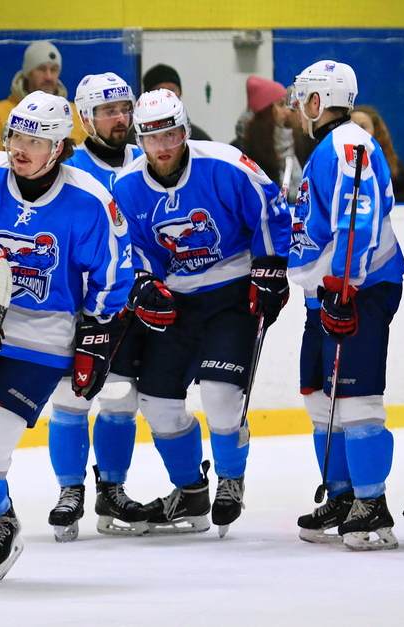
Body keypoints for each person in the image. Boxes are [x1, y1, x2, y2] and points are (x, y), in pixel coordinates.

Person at [0, 91, 132, 586]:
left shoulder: (89, 201)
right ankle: (3, 517)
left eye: (35, 141)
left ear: (58, 149)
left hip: (46, 331)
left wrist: (95, 337)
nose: (20, 148)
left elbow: (112, 274)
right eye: (16, 135)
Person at [111, 89, 292, 536]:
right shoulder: (127, 187)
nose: (163, 147)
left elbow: (270, 210)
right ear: (140, 140)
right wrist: (144, 282)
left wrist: (270, 265)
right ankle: (191, 490)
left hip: (233, 291)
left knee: (219, 392)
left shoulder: (226, 164)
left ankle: (230, 478)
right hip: (177, 300)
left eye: (171, 135)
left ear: (185, 131)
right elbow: (133, 247)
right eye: (152, 138)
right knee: (157, 403)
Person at [287, 60, 404, 550]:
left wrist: (344, 286)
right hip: (327, 293)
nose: (298, 109)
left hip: (356, 289)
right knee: (320, 395)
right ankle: (342, 494)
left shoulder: (348, 144)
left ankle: (372, 502)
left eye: (303, 99)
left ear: (318, 101)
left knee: (357, 400)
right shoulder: (329, 147)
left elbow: (356, 220)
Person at [44, 72, 148, 542]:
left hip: (127, 305)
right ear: (85, 118)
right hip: (76, 305)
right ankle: (70, 491)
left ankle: (112, 489)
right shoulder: (67, 168)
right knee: (72, 399)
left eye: (125, 109)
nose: (120, 118)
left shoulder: (147, 160)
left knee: (121, 398)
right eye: (108, 111)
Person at [0, 41, 87, 152]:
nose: (49, 77)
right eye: (41, 69)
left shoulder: (75, 114)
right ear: (28, 73)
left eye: (54, 69)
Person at [233, 76, 303, 203]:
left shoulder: (289, 143)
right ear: (265, 112)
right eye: (281, 104)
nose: (287, 111)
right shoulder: (241, 153)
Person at [350, 105, 404, 203]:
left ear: (376, 130)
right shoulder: (336, 162)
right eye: (352, 127)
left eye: (363, 127)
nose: (357, 132)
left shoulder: (395, 167)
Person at [141, 64, 211, 140]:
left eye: (172, 90)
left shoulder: (198, 138)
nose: (167, 96)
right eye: (161, 91)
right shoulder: (136, 138)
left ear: (180, 93)